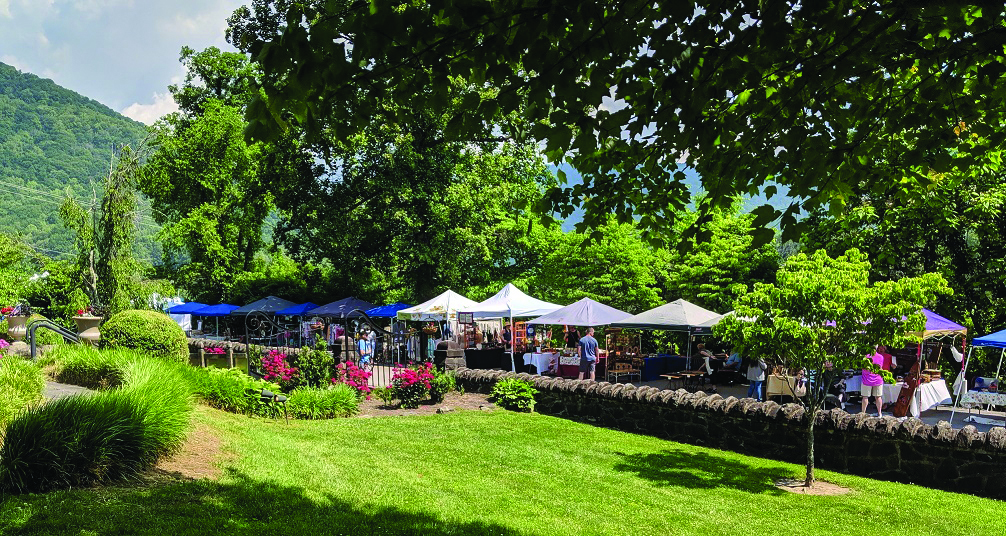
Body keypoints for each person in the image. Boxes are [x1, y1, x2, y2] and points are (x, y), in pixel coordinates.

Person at [861, 348, 885, 417]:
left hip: (866, 379)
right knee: (878, 397)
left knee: (865, 397)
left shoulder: (865, 357)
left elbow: (863, 367)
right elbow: (880, 367)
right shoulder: (881, 357)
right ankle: (880, 413)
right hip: (878, 379)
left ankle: (863, 413)